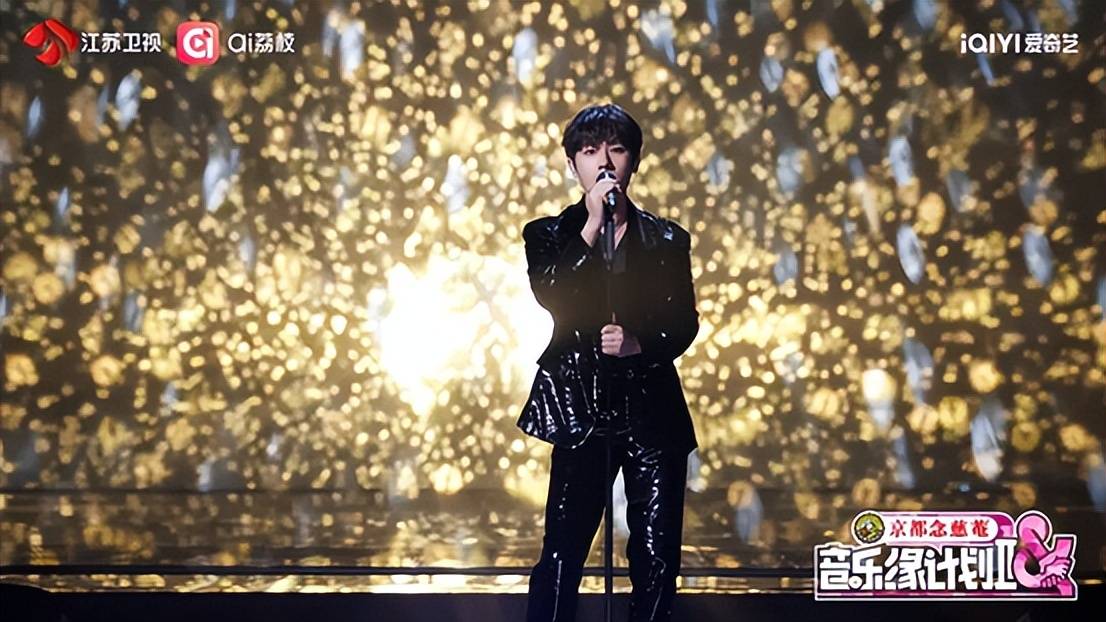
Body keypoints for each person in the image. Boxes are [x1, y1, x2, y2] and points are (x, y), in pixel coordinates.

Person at [517, 103, 699, 622]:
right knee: (563, 549)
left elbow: (682, 322)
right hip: (581, 410)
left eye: (616, 150)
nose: (604, 162)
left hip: (652, 411)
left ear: (633, 161)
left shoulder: (666, 239)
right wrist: (594, 222)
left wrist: (640, 344)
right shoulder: (548, 235)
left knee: (657, 556)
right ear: (573, 163)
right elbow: (555, 294)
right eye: (590, 151)